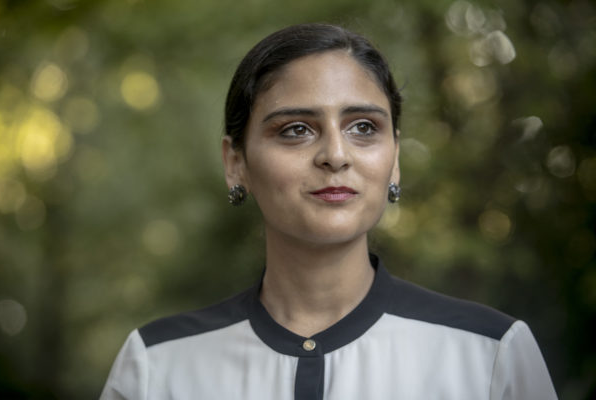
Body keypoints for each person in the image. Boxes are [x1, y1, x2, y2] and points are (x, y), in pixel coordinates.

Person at [100, 23, 557, 400]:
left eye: (364, 127)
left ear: (394, 159)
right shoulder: (156, 367)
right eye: (296, 129)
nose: (335, 155)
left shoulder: (490, 355)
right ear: (235, 162)